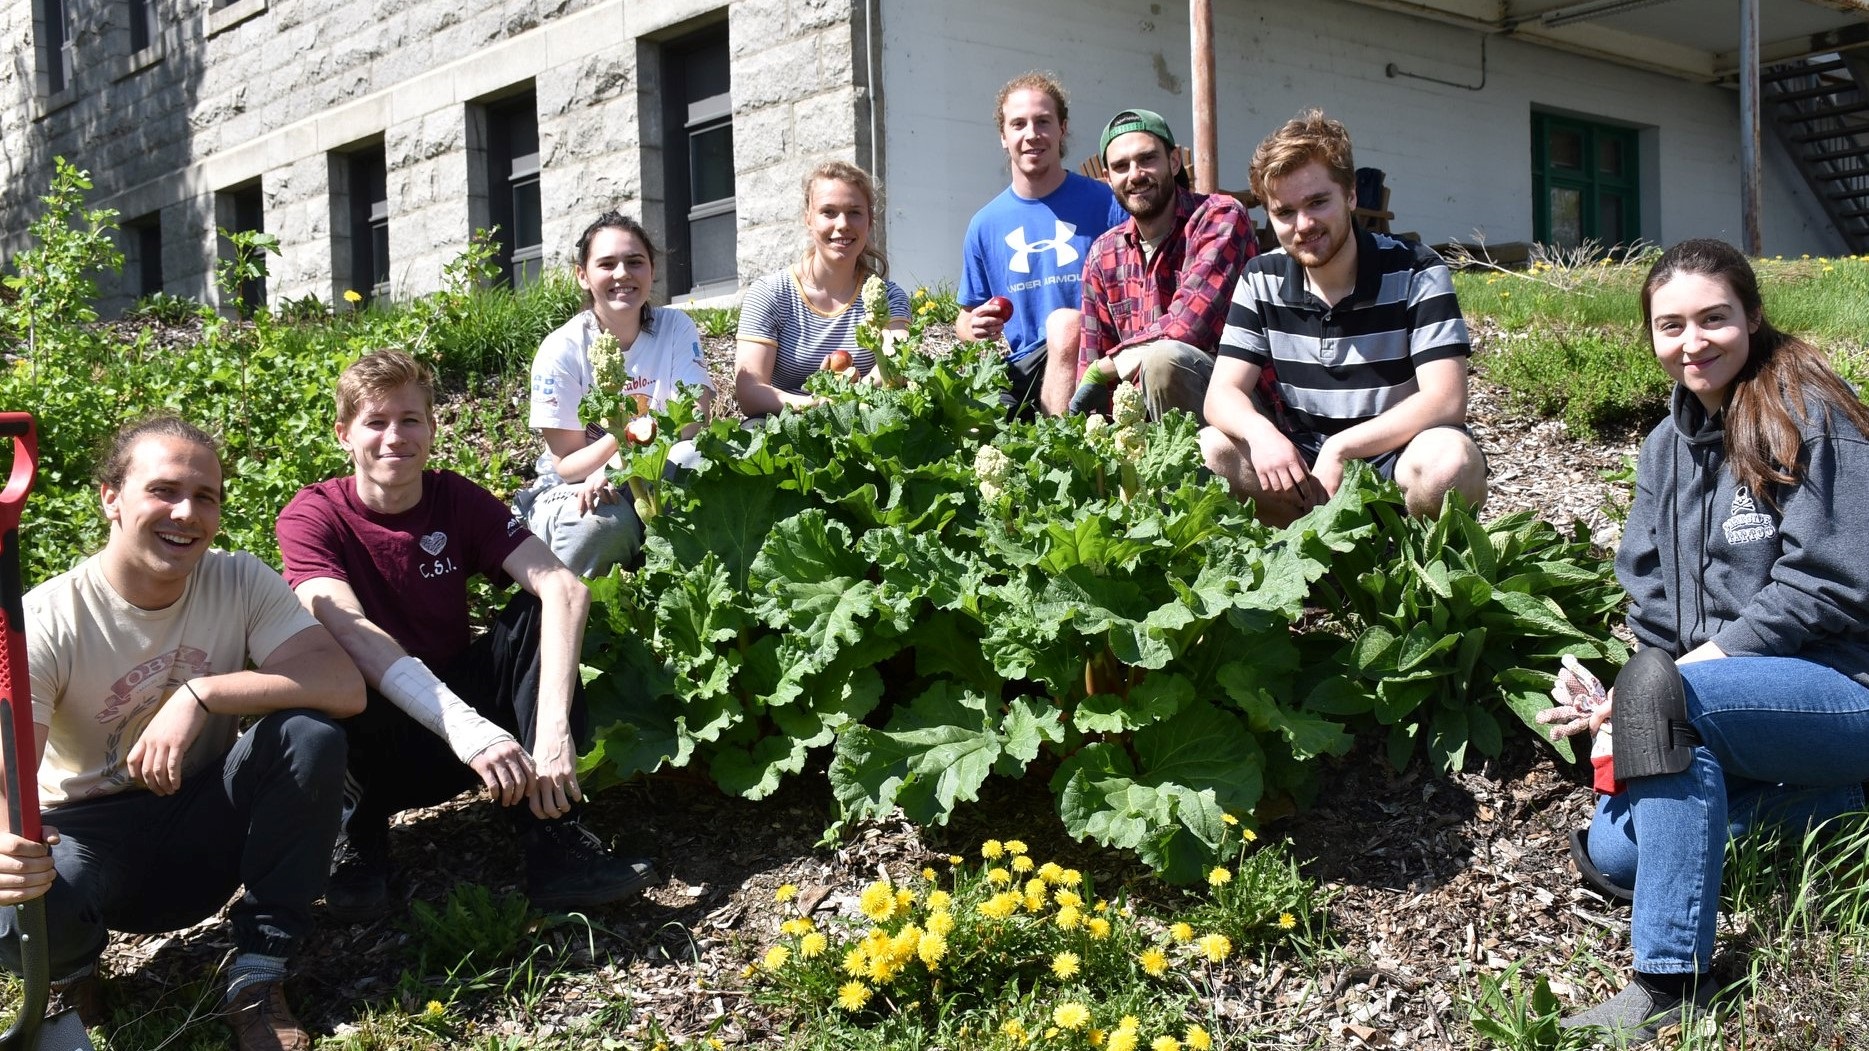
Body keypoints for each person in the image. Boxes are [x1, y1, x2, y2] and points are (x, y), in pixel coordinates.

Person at [1537, 239, 1869, 1044]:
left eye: (1713, 318)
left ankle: (1668, 979)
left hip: (1842, 691)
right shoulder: (1663, 448)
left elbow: (1833, 581)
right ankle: (1848, 811)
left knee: (1663, 702)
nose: (1693, 341)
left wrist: (1665, 686)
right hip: (1726, 705)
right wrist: (1611, 696)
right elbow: (1650, 613)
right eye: (1670, 324)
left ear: (1751, 315)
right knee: (1616, 853)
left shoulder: (1810, 409)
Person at [1, 416, 363, 1050]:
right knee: (17, 882)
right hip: (88, 839)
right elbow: (8, 772)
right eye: (164, 491)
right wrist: (3, 845)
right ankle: (72, 972)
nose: (186, 513)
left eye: (206, 496)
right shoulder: (50, 619)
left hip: (204, 815)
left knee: (309, 737)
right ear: (110, 496)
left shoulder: (238, 579)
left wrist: (205, 691)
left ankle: (258, 971)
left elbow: (342, 684)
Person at [277, 350, 658, 923]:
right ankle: (355, 836)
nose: (394, 437)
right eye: (375, 422)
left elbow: (565, 588)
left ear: (431, 429)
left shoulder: (453, 497)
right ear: (344, 435)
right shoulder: (313, 516)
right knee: (315, 697)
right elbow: (355, 635)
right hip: (374, 741)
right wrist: (470, 729)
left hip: (462, 743)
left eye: (409, 420)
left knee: (537, 614)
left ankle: (552, 838)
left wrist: (552, 730)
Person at [1200, 109, 1486, 525]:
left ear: (1351, 196)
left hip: (1397, 456)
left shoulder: (1416, 270)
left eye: (1318, 202)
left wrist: (1343, 447)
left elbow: (1446, 399)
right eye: (1284, 212)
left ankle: (1420, 571)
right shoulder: (1261, 277)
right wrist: (1262, 434)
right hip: (1305, 464)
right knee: (1212, 449)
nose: (1304, 224)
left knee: (1449, 462)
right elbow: (1220, 395)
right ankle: (1306, 572)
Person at [517, 211, 715, 576]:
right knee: (600, 526)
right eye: (607, 264)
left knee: (694, 462)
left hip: (632, 471)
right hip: (572, 486)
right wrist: (622, 444)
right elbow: (567, 465)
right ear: (583, 275)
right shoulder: (561, 348)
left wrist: (618, 464)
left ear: (651, 270)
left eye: (634, 262)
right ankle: (584, 618)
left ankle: (686, 589)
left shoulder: (675, 328)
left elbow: (694, 421)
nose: (622, 274)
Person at [956, 72, 1125, 417]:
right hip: (1023, 371)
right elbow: (965, 316)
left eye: (1043, 122)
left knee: (1067, 325)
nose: (1032, 135)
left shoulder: (1106, 204)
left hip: (1096, 359)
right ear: (1003, 136)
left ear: (1062, 128)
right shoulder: (985, 225)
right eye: (1018, 124)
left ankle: (1055, 448)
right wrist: (973, 327)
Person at [1073, 107, 1255, 422]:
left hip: (1234, 411)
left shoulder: (1219, 218)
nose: (1135, 174)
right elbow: (1091, 358)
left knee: (1163, 360)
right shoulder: (1102, 255)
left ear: (1172, 162)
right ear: (1107, 179)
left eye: (1147, 159)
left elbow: (1188, 328)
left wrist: (1108, 367)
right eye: (1120, 166)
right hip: (1141, 421)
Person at [734, 160, 912, 417]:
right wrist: (820, 404)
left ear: (870, 220)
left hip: (865, 421)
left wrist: (849, 398)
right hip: (787, 427)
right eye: (829, 212)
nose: (842, 224)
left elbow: (896, 364)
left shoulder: (887, 296)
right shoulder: (770, 294)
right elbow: (750, 392)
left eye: (854, 212)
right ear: (808, 218)